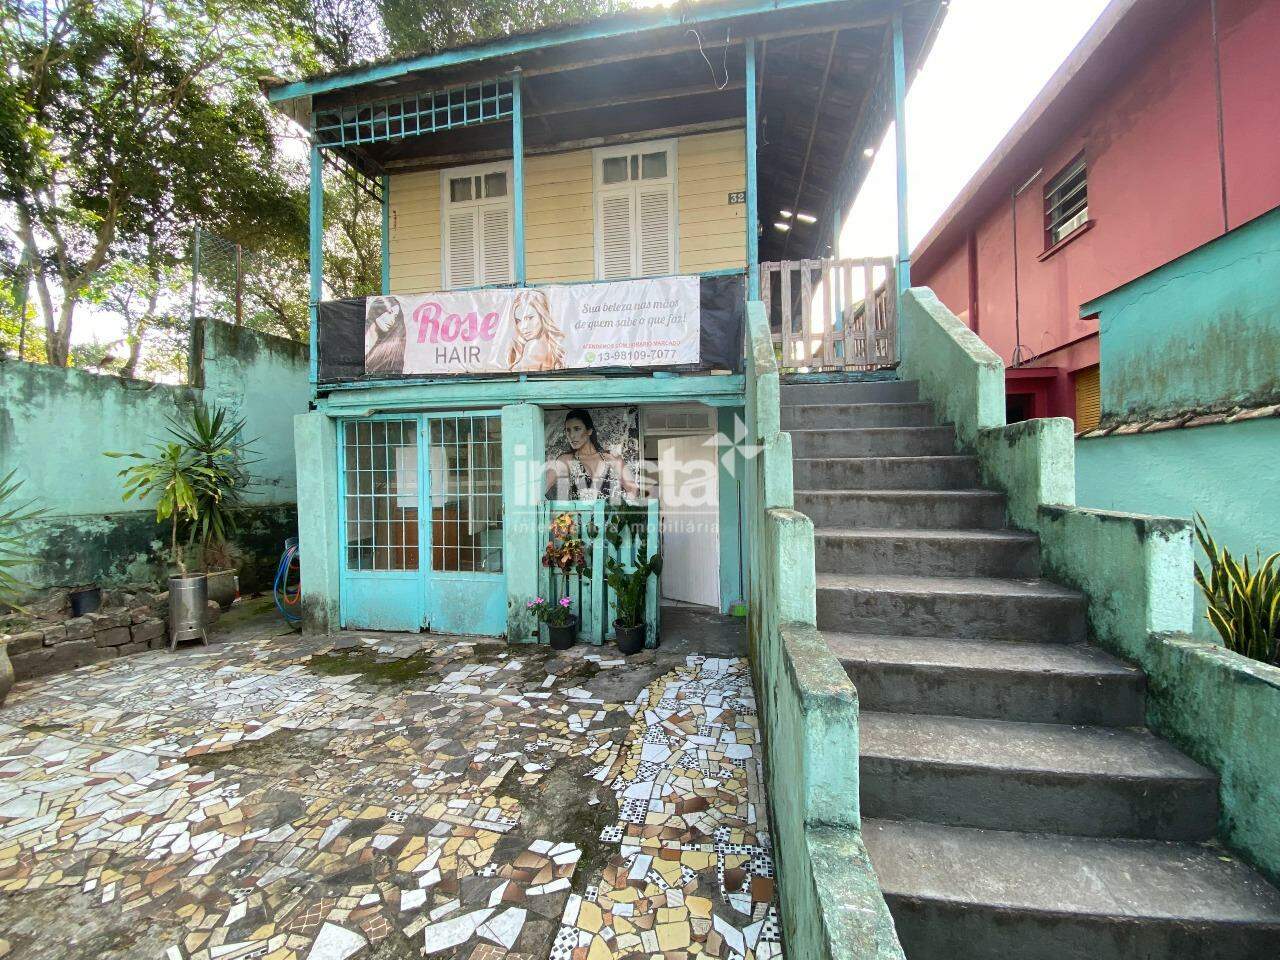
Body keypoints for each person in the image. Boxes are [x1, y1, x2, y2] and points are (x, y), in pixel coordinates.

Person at [545, 408, 639, 502]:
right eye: (568, 430)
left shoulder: (612, 458)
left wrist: (621, 511)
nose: (572, 435)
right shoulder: (566, 460)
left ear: (589, 431)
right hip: (580, 516)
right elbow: (538, 490)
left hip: (610, 515)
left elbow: (633, 491)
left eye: (577, 429)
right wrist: (558, 513)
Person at [506, 289, 566, 372]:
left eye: (530, 318)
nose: (523, 327)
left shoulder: (534, 346)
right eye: (518, 321)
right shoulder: (549, 346)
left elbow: (514, 376)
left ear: (542, 315)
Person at [364, 296, 406, 374]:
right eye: (390, 312)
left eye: (395, 316)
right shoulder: (360, 334)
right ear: (376, 311)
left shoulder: (390, 350)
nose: (392, 320)